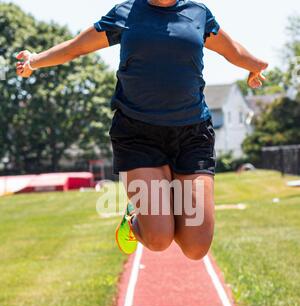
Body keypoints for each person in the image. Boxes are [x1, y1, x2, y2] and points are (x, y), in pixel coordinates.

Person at [16, 0, 268, 259]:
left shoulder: (198, 14)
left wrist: (254, 66)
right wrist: (34, 61)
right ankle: (135, 218)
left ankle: (162, 201)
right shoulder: (126, 13)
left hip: (192, 135)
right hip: (138, 135)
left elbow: (231, 50)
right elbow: (76, 48)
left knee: (196, 247)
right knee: (158, 239)